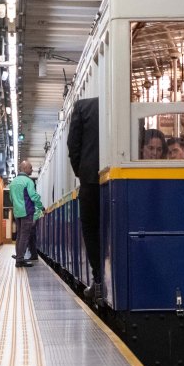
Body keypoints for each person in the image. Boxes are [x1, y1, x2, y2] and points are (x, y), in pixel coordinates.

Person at [67, 97, 102, 299]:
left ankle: (98, 281)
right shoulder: (129, 98)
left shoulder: (84, 106)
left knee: (90, 229)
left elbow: (73, 147)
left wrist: (82, 172)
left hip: (91, 180)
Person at [9, 160, 43, 268]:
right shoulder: (28, 181)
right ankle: (20, 260)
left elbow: (11, 198)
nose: (32, 170)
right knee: (25, 235)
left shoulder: (13, 182)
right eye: (30, 168)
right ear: (24, 168)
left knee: (19, 235)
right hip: (27, 211)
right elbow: (33, 196)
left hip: (17, 212)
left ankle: (19, 257)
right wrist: (40, 206)